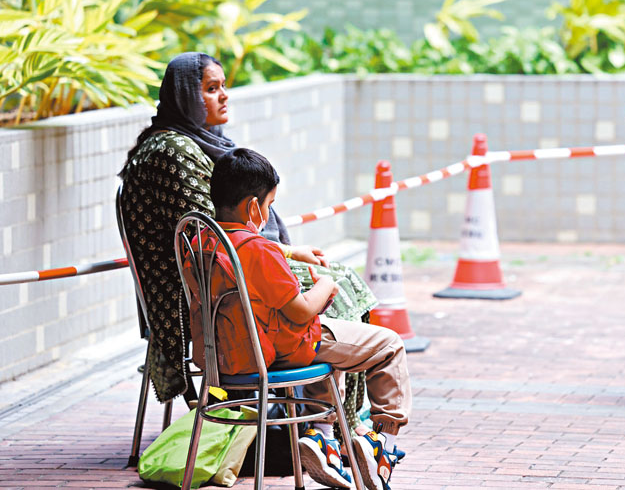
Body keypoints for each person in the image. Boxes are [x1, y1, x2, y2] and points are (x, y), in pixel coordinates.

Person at [118, 52, 377, 429]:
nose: (224, 95)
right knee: (336, 286)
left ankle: (314, 422)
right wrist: (286, 254)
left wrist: (288, 252)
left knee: (336, 276)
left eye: (224, 86)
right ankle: (323, 424)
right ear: (185, 96)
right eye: (211, 88)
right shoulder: (172, 150)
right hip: (202, 291)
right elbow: (215, 236)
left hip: (223, 271)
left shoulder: (198, 141)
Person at [202, 148, 409, 490]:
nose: (268, 214)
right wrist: (325, 286)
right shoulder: (258, 249)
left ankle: (323, 439)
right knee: (389, 345)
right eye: (269, 205)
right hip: (281, 349)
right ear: (253, 208)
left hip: (230, 356)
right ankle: (381, 444)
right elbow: (300, 310)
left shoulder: (200, 239)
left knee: (335, 349)